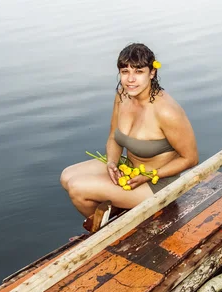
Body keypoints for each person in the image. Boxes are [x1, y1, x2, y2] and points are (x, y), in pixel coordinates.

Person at [60, 43, 199, 217]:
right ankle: (111, 219)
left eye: (138, 72)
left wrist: (149, 175)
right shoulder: (122, 96)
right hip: (130, 170)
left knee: (77, 188)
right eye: (125, 71)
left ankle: (107, 234)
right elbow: (113, 137)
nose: (130, 79)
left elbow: (191, 158)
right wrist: (112, 162)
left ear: (152, 72)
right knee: (67, 176)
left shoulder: (166, 111)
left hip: (158, 183)